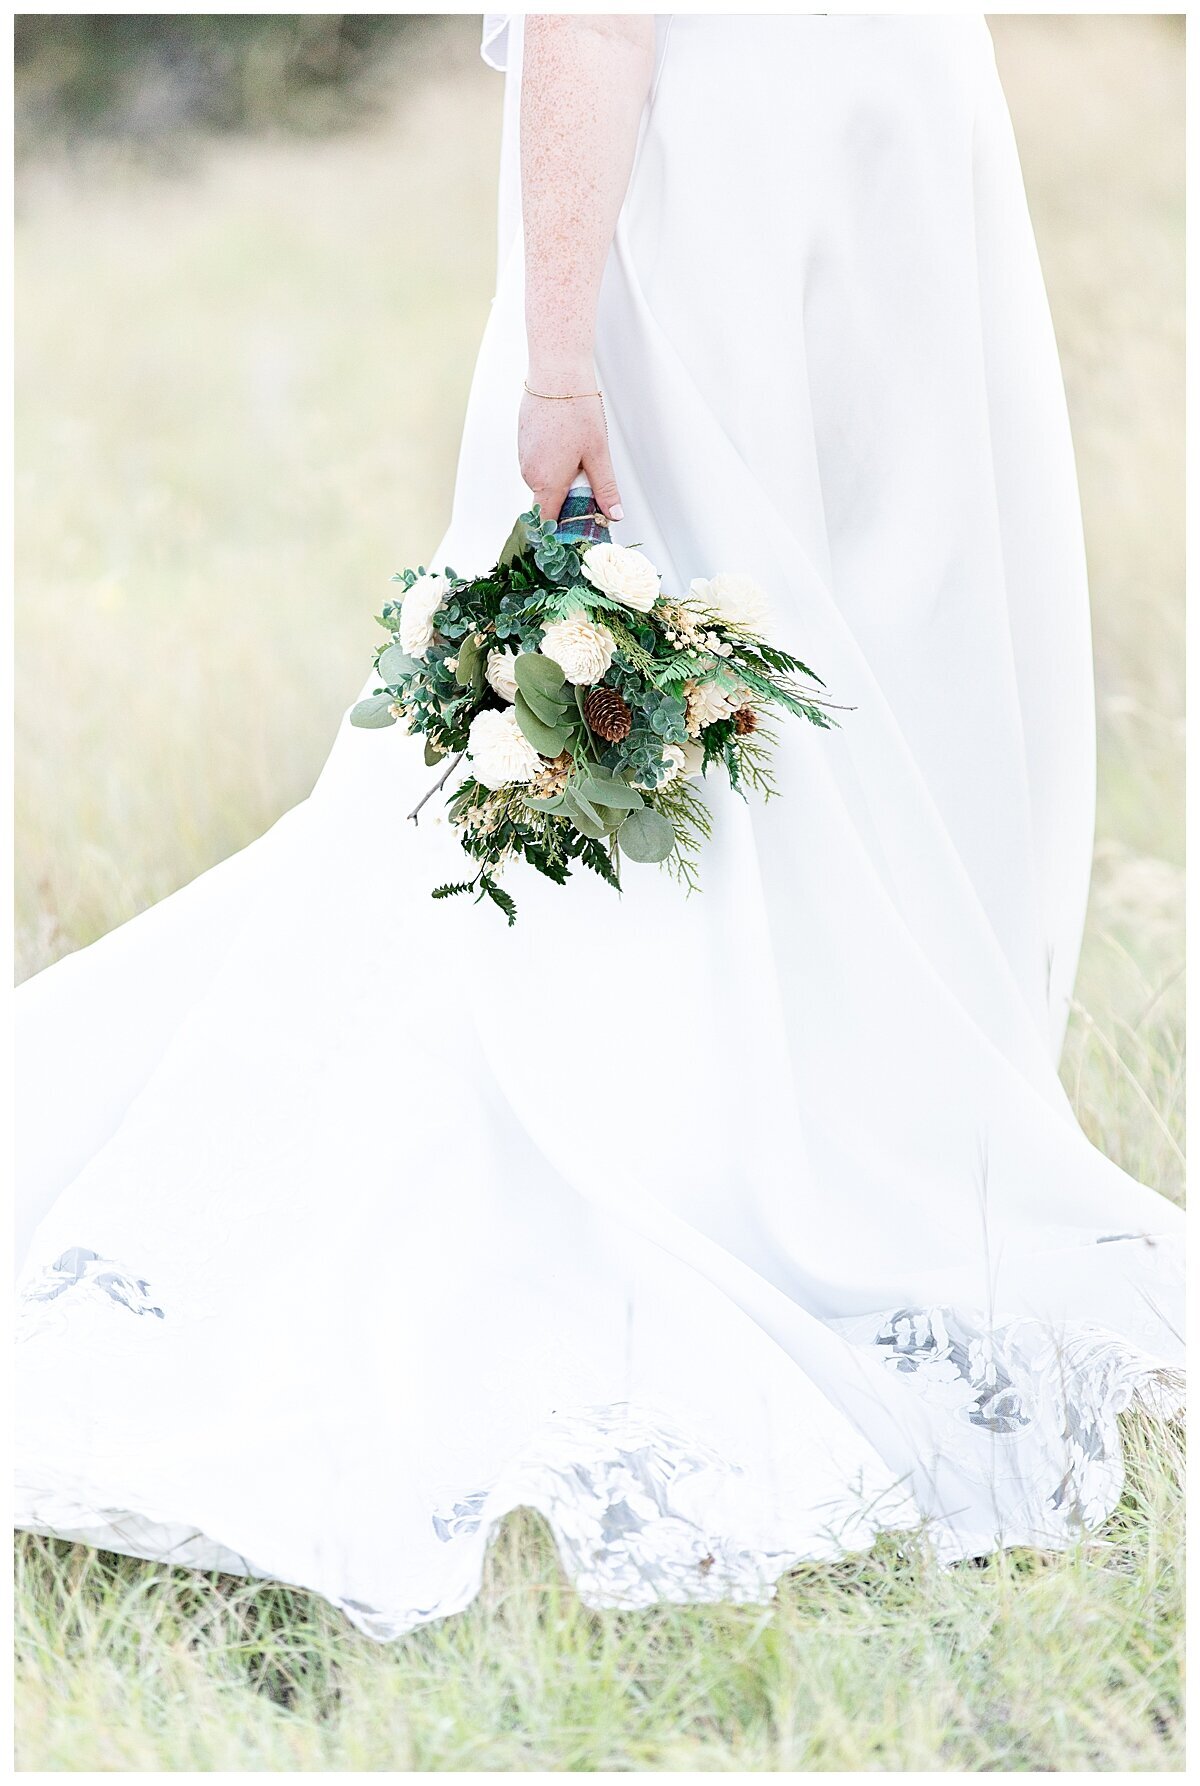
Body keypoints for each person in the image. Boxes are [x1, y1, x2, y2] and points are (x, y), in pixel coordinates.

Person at [15, 15, 1183, 1640]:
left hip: (781, 188)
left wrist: (559, 351)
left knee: (793, 700)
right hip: (848, 163)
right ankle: (793, 1127)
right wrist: (567, 347)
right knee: (778, 688)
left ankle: (816, 1132)